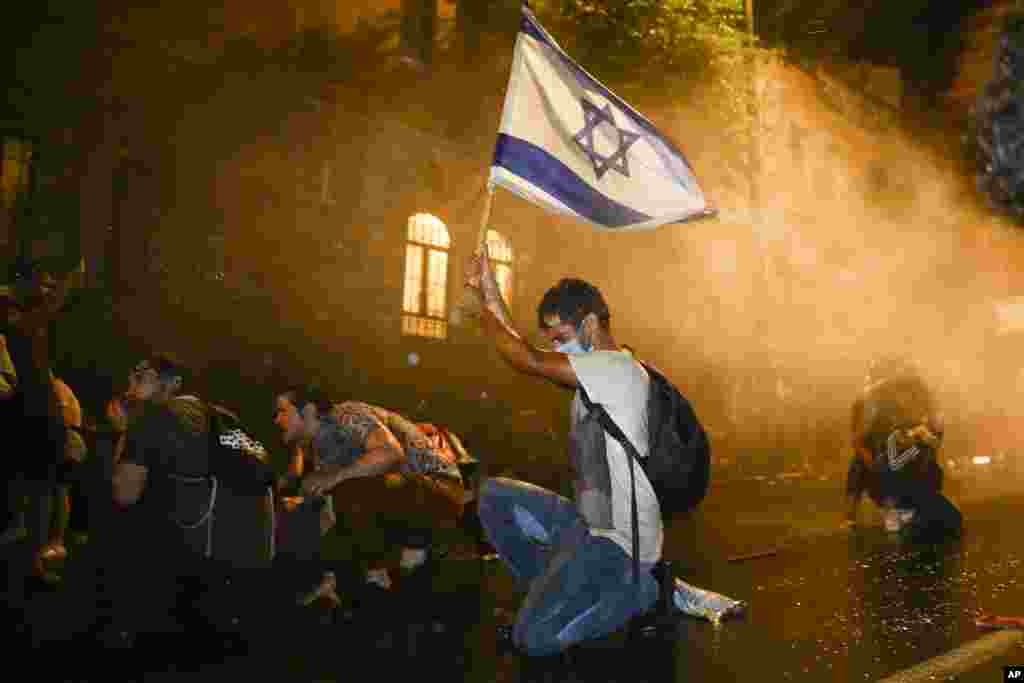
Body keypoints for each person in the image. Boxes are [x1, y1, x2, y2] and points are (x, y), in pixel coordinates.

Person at [464, 247, 662, 656]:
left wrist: (477, 310)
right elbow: (524, 347)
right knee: (494, 495)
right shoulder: (594, 372)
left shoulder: (616, 370)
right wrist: (487, 287)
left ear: (589, 324)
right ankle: (550, 591)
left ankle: (638, 595)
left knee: (531, 640)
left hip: (622, 546)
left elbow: (527, 359)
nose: (558, 349)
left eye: (562, 338)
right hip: (588, 525)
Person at [273, 387, 465, 607]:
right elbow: (332, 512)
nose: (277, 420)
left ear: (307, 410)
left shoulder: (346, 414)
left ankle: (383, 570)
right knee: (327, 518)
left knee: (349, 489)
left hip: (441, 489)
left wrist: (331, 479)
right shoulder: (322, 450)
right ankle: (381, 578)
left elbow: (391, 453)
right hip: (402, 498)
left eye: (282, 411)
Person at [0, 243, 82, 588]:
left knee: (46, 485)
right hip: (21, 419)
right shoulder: (10, 309)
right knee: (31, 489)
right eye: (44, 282)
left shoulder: (32, 316)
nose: (49, 290)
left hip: (37, 419)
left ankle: (38, 553)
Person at [845, 355, 960, 541]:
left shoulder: (919, 399)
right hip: (883, 460)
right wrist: (874, 464)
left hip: (910, 460)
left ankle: (908, 507)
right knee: (860, 466)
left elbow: (933, 437)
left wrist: (920, 443)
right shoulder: (868, 401)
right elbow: (859, 442)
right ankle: (855, 516)